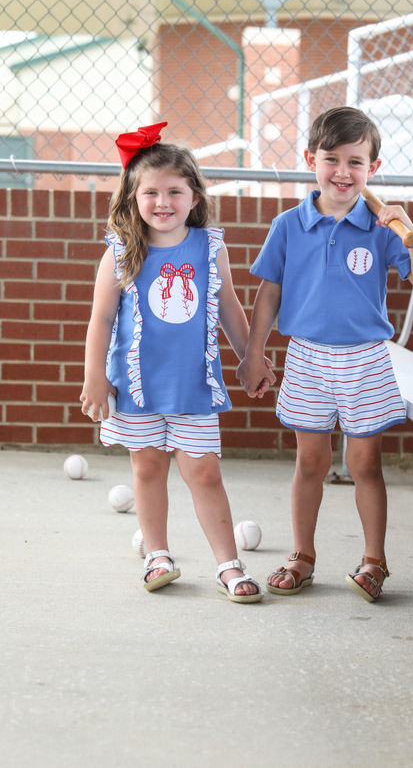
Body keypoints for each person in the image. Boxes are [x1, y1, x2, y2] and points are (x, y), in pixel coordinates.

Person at [237, 106, 413, 602]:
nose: (343, 172)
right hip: (307, 356)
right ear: (311, 159)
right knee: (311, 462)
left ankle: (375, 560)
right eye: (332, 159)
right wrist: (254, 353)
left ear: (372, 168)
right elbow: (269, 294)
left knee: (364, 462)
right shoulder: (289, 225)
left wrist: (407, 229)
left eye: (356, 162)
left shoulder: (381, 227)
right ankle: (303, 555)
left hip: (365, 359)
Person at [81, 122, 274, 603]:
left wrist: (251, 357)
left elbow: (227, 304)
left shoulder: (209, 246)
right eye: (151, 192)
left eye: (174, 191)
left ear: (194, 196)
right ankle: (158, 556)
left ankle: (228, 565)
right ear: (132, 197)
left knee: (204, 472)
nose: (162, 202)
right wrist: (95, 378)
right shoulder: (121, 252)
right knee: (146, 471)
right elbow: (101, 318)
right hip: (137, 387)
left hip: (192, 386)